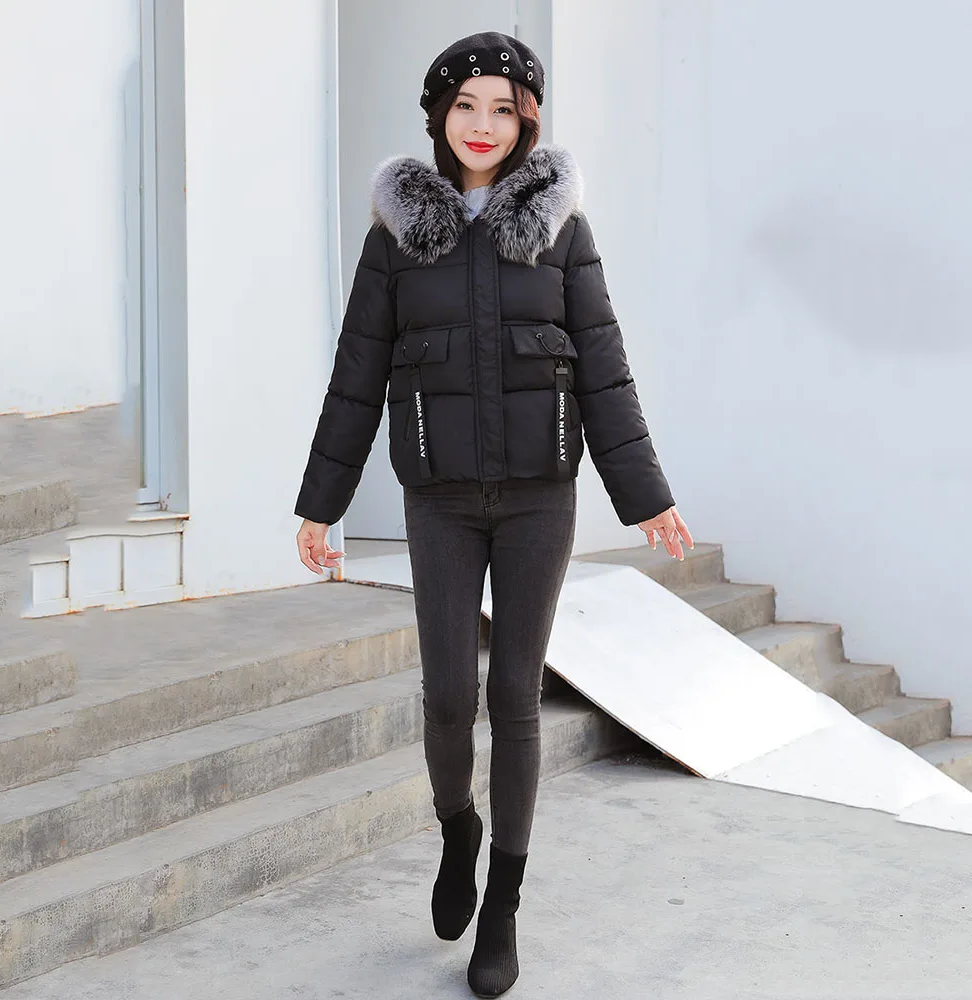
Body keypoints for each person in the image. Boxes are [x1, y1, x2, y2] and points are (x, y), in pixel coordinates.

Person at [294, 30, 694, 999]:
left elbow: (603, 367)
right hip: (437, 501)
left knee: (515, 695)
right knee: (447, 696)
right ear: (439, 117)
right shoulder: (397, 239)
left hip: (536, 501)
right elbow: (356, 377)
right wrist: (322, 506)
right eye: (465, 106)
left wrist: (646, 493)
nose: (483, 125)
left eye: (503, 109)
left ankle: (503, 905)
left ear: (527, 123)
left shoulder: (562, 231)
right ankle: (456, 828)